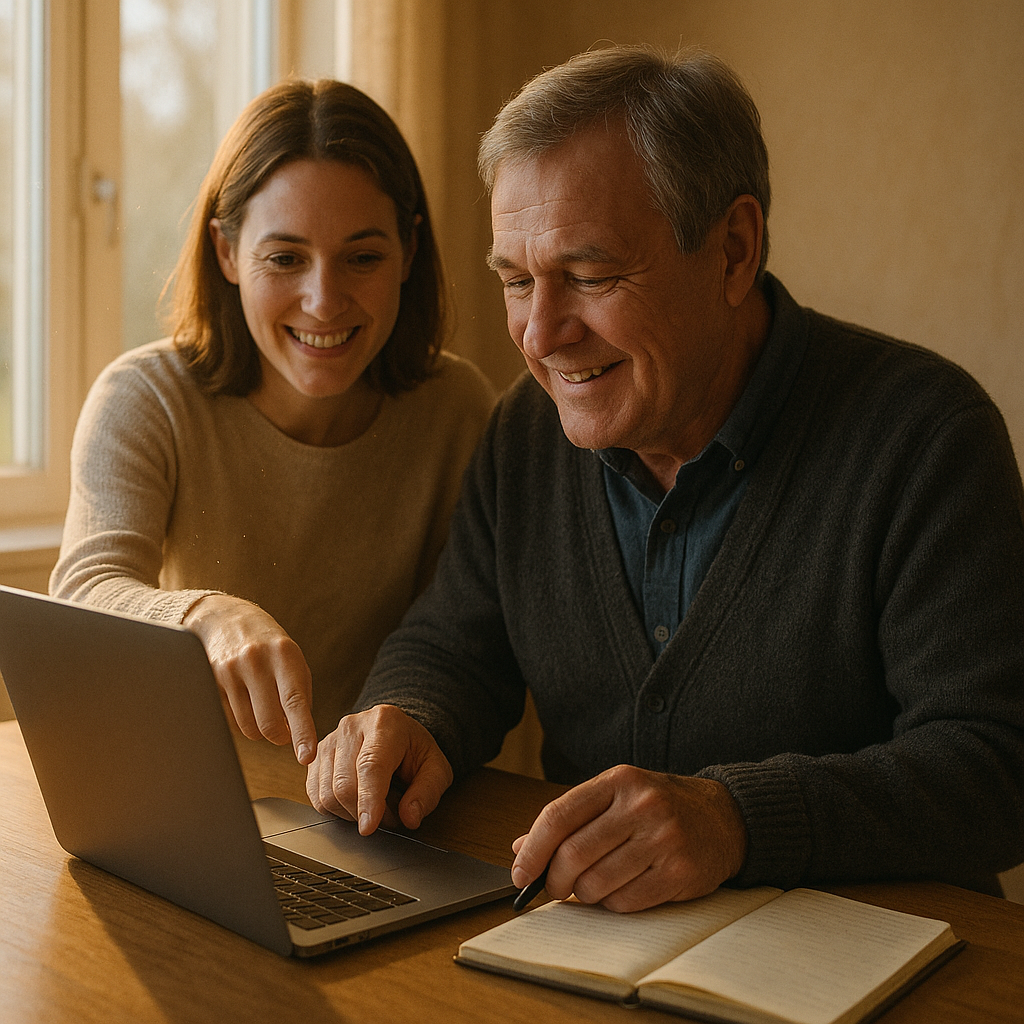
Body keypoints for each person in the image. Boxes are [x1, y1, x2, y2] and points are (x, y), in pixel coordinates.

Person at [306, 47, 1024, 910]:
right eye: (517, 281)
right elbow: (454, 646)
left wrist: (736, 819)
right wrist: (408, 716)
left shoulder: (925, 435)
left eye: (589, 276)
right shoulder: (526, 432)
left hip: (884, 953)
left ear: (732, 252)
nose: (540, 335)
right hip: (590, 942)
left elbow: (998, 765)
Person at [51, 79, 495, 766]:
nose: (323, 301)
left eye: (363, 258)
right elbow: (82, 595)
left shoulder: (458, 408)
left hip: (383, 799)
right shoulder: (144, 397)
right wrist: (204, 616)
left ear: (409, 251)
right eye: (285, 258)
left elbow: (466, 641)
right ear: (227, 252)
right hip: (196, 786)